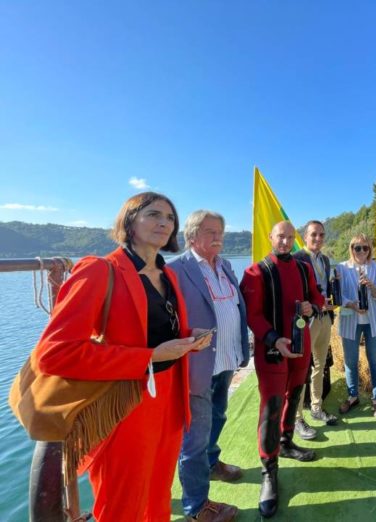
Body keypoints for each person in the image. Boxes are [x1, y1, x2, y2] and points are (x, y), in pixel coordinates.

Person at [34, 192, 212, 521]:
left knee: (158, 498)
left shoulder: (167, 274)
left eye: (170, 218)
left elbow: (155, 330)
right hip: (125, 407)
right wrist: (147, 358)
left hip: (170, 400)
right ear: (129, 221)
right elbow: (54, 353)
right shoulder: (99, 270)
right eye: (154, 214)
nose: (164, 223)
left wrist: (189, 337)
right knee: (121, 506)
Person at [169, 210, 250, 522]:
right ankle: (196, 507)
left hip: (226, 357)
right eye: (210, 232)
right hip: (197, 366)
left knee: (218, 415)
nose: (218, 237)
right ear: (192, 237)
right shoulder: (176, 270)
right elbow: (166, 319)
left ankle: (212, 464)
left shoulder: (225, 266)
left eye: (220, 232)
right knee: (194, 438)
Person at [240, 221, 325, 519]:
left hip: (300, 346)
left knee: (295, 394)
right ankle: (268, 471)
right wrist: (274, 338)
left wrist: (312, 307)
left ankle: (287, 442)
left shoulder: (303, 268)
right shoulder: (256, 271)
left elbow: (318, 297)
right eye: (281, 237)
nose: (286, 242)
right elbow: (252, 315)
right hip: (273, 350)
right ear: (270, 237)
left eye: (290, 237)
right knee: (272, 406)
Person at [292, 220, 338, 439]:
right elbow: (295, 293)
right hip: (307, 321)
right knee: (301, 369)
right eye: (313, 234)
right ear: (305, 236)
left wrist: (330, 302)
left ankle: (316, 408)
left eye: (321, 235)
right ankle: (296, 418)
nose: (318, 238)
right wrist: (313, 304)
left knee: (320, 365)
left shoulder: (325, 260)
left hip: (324, 318)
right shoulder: (297, 259)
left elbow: (325, 287)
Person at [336, 234, 376, 418]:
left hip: (373, 320)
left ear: (369, 249)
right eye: (357, 247)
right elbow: (338, 294)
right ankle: (353, 396)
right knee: (350, 361)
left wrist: (372, 286)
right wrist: (351, 304)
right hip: (350, 320)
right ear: (351, 249)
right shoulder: (342, 267)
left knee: (375, 361)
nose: (362, 251)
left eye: (365, 248)